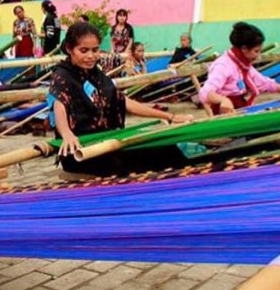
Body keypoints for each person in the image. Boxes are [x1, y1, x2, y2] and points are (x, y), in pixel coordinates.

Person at [49, 22, 193, 177]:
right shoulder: (63, 76)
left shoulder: (96, 75)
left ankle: (194, 180)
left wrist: (169, 117)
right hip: (81, 149)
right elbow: (59, 104)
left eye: (95, 50)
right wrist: (67, 134)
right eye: (83, 51)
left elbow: (123, 101)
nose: (91, 56)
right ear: (70, 49)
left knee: (166, 149)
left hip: (106, 141)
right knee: (128, 163)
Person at [200, 22, 280, 115]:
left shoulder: (242, 66)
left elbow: (265, 83)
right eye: (256, 51)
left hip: (240, 110)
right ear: (244, 48)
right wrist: (223, 100)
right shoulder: (223, 65)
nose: (258, 56)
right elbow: (205, 93)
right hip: (226, 116)